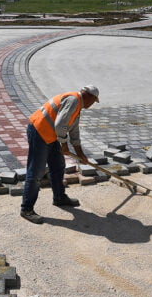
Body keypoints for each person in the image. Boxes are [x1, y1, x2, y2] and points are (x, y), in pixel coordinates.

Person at [20, 85, 99, 224]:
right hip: (39, 131)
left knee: (58, 165)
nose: (92, 104)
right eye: (93, 101)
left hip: (51, 135)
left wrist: (81, 154)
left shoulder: (78, 106)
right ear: (88, 96)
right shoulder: (73, 100)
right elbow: (60, 125)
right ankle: (26, 209)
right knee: (36, 171)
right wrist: (64, 145)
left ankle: (59, 197)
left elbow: (74, 131)